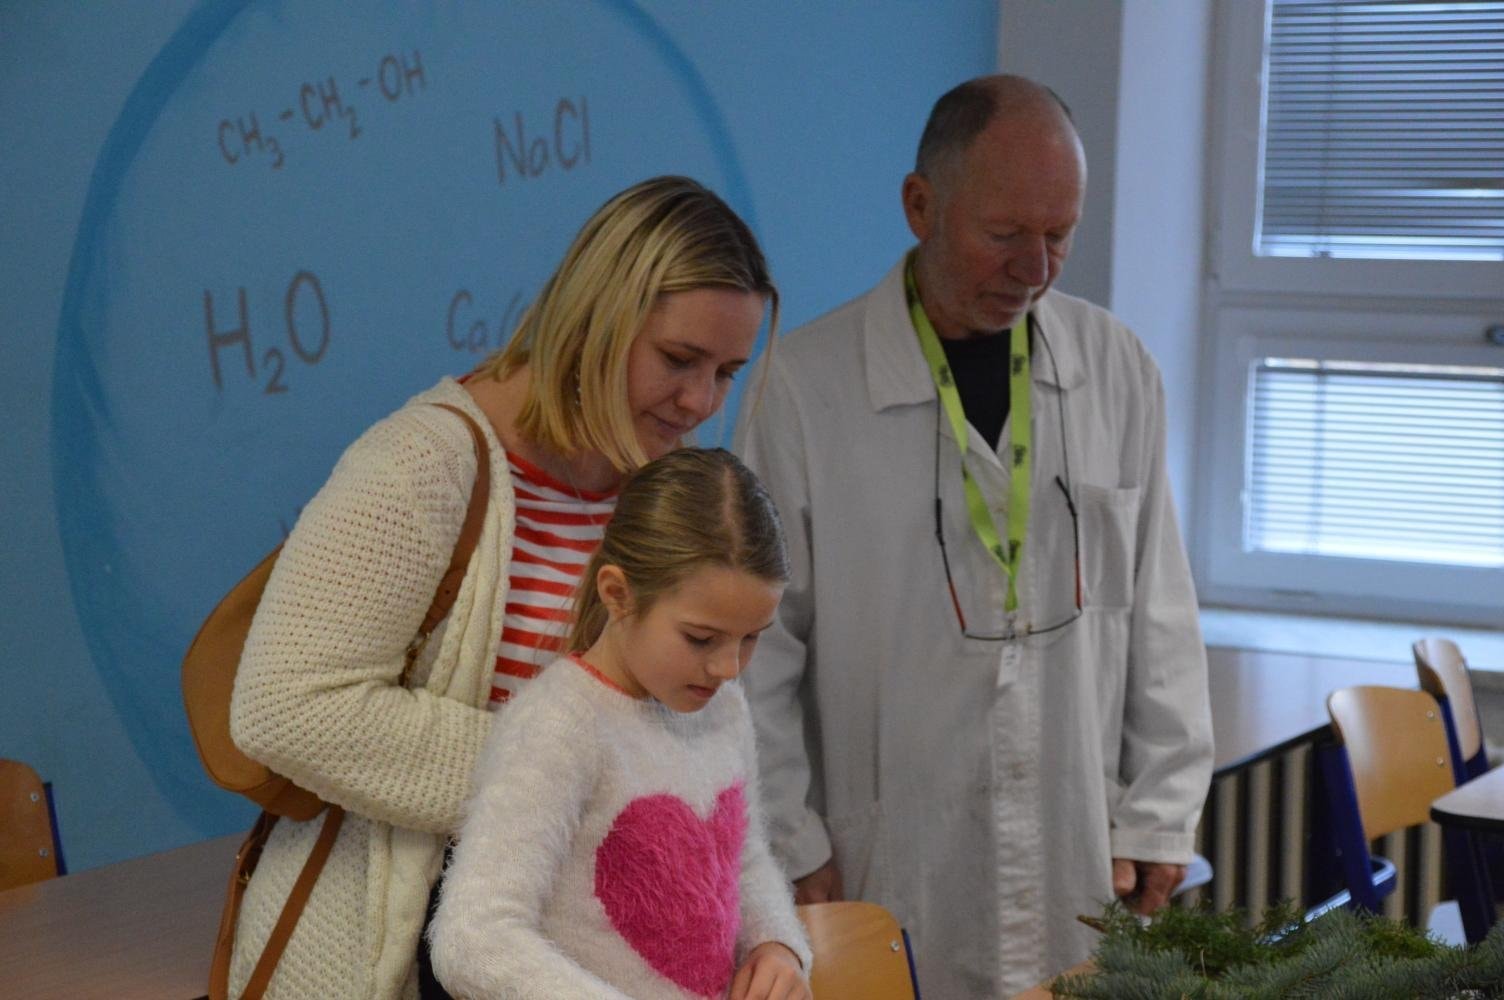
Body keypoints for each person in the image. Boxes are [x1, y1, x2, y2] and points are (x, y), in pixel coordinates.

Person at [228, 176, 778, 1000]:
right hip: (402, 957)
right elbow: (284, 707)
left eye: (727, 372)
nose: (700, 401)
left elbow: (683, 744)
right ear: (595, 317)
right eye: (677, 360)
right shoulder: (424, 466)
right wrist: (556, 780)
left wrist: (768, 934)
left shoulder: (662, 485)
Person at [734, 75, 1213, 996]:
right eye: (1005, 234)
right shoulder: (803, 389)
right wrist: (788, 838)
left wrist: (1161, 813)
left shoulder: (1116, 369)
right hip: (887, 858)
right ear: (920, 206)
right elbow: (759, 650)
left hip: (1081, 849)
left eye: (1060, 234)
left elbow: (1159, 611)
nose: (1036, 268)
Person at [428, 448, 812, 1000]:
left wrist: (776, 944)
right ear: (617, 595)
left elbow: (742, 860)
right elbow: (473, 937)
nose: (729, 667)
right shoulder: (560, 724)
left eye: (751, 637)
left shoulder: (725, 708)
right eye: (701, 638)